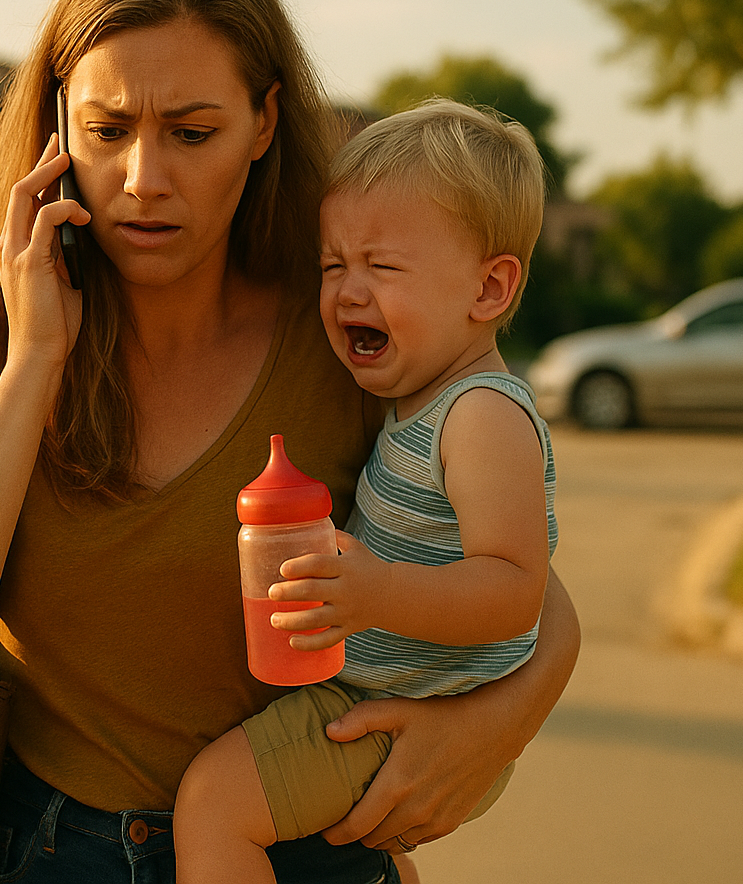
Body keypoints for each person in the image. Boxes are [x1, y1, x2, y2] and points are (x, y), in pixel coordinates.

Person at [0, 0, 580, 884]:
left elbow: (533, 597)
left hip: (301, 856)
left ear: (265, 125)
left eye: (193, 133)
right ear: (59, 124)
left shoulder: (345, 336)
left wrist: (492, 725)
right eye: (107, 131)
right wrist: (34, 364)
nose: (144, 181)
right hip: (48, 855)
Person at [173, 100, 559, 884]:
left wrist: (377, 593)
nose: (349, 292)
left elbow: (519, 590)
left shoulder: (481, 415)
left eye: (381, 267)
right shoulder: (422, 401)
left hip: (404, 708)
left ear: (489, 288)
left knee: (214, 803)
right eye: (333, 265)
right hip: (388, 690)